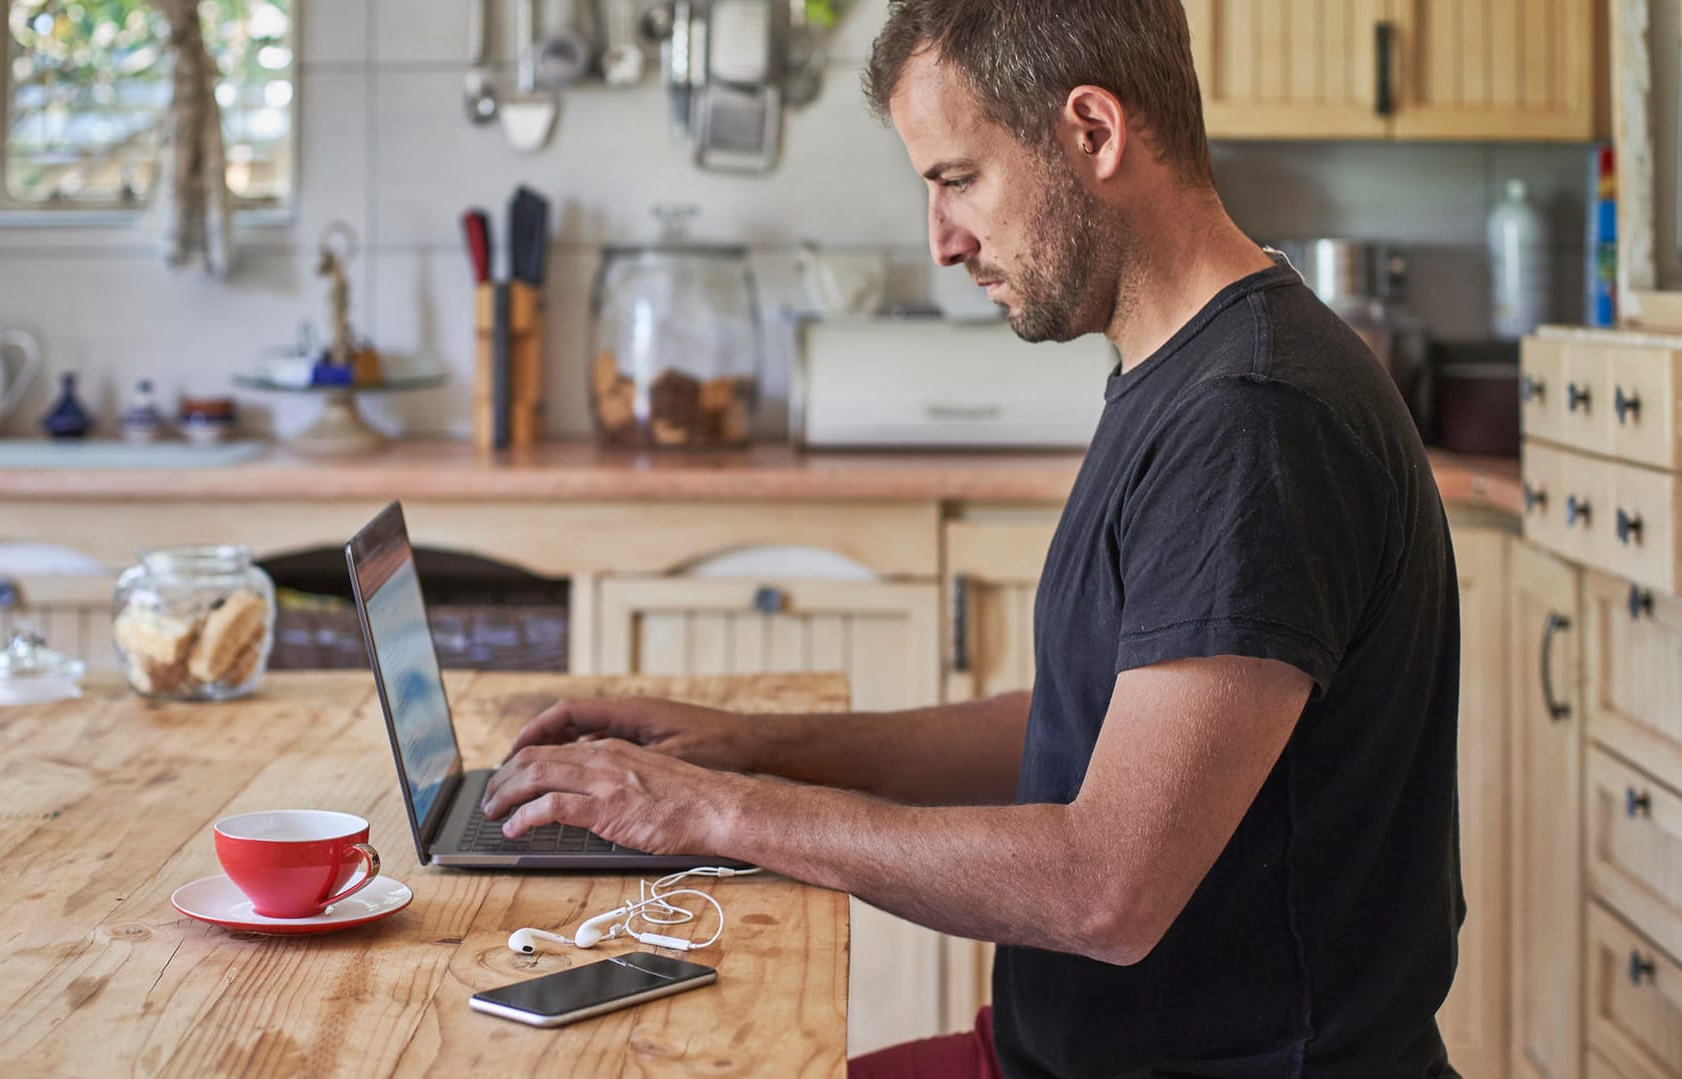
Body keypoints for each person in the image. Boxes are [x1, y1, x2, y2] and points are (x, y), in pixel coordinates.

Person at [481, 1, 1463, 1075]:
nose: (943, 240)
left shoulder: (1255, 419)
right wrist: (746, 744)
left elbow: (1105, 884)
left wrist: (719, 808)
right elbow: (1092, 725)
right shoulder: (1188, 368)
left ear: (1092, 132)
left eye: (957, 180)